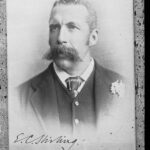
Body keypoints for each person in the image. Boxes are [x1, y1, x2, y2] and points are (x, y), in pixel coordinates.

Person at [17, 0, 126, 136]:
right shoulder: (19, 97)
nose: (60, 38)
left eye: (72, 27)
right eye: (54, 28)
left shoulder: (128, 90)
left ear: (93, 37)